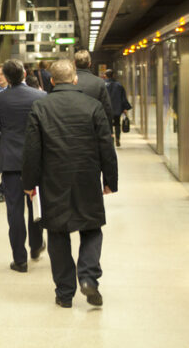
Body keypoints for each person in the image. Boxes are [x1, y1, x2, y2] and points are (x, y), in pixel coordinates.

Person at [22, 59, 118, 308]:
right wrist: (110, 180)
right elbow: (105, 146)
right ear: (75, 79)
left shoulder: (40, 107)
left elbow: (32, 149)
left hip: (53, 180)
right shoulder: (93, 106)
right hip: (87, 177)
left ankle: (65, 293)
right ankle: (88, 277)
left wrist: (29, 182)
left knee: (57, 233)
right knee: (92, 228)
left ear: (52, 81)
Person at [0, 59, 46, 273]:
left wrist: (4, 136)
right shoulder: (41, 97)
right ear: (25, 74)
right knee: (34, 204)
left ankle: (20, 260)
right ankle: (35, 246)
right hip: (35, 161)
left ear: (6, 78)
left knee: (14, 211)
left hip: (10, 162)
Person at [74, 50, 114, 130]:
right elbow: (107, 108)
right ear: (89, 64)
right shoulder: (99, 82)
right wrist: (109, 129)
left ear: (74, 63)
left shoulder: (69, 81)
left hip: (72, 127)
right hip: (94, 127)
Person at [104, 69, 131, 147]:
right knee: (117, 124)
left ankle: (111, 139)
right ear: (113, 75)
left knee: (108, 125)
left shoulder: (103, 85)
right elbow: (123, 98)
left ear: (105, 76)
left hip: (107, 109)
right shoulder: (119, 85)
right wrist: (125, 108)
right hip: (117, 109)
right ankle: (118, 139)